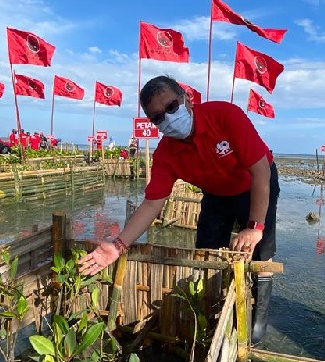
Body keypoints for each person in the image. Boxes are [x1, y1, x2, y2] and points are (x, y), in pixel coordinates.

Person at [78, 75, 280, 342]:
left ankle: (258, 320)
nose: (168, 118)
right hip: (216, 194)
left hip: (255, 184)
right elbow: (152, 204)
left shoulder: (225, 115)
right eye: (158, 117)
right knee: (205, 252)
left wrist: (254, 227)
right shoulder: (166, 154)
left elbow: (260, 170)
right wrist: (118, 245)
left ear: (188, 99)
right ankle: (212, 308)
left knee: (261, 252)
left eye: (172, 107)